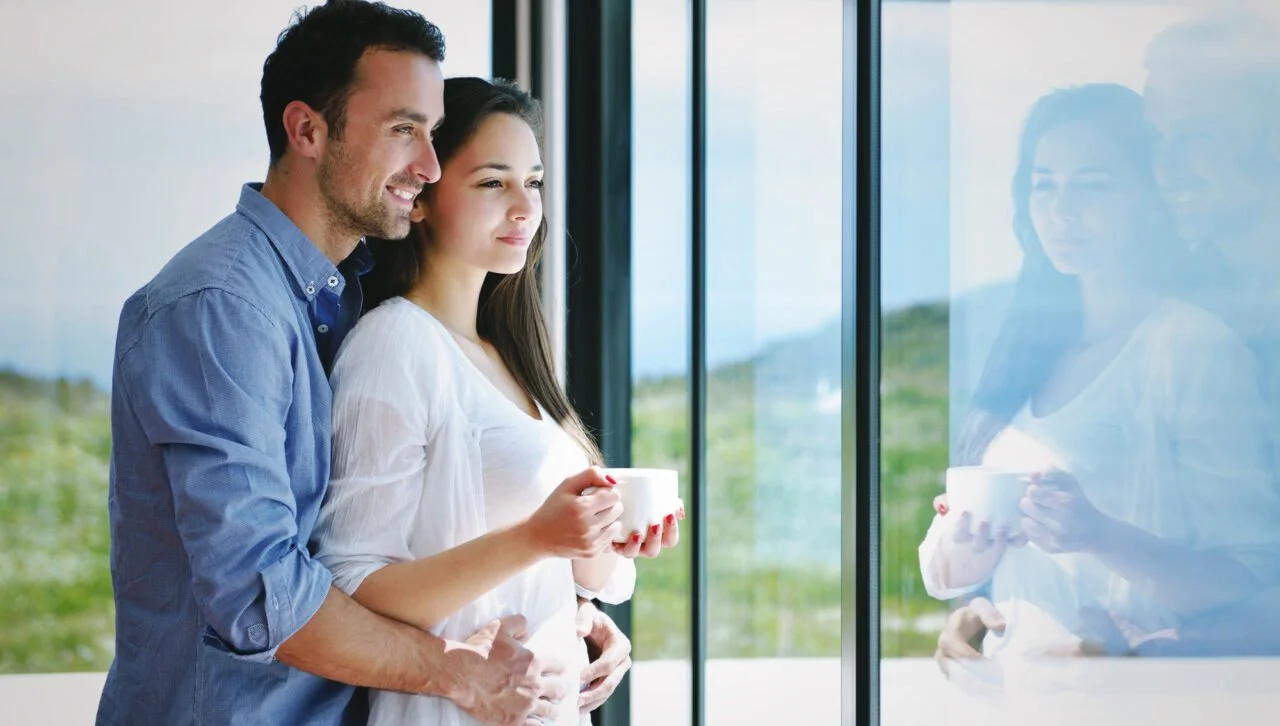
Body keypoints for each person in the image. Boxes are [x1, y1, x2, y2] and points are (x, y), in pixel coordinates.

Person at [96, 3, 640, 724]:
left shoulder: (337, 294)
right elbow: (264, 596)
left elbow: (404, 523)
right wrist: (454, 671)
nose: (429, 165)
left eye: (433, 133)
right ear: (308, 130)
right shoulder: (221, 308)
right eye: (404, 130)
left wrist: (555, 601)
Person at [311, 76, 679, 726]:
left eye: (533, 182)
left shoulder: (507, 352)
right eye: (492, 182)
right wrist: (538, 537)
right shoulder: (396, 343)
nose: (524, 208)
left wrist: (604, 542)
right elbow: (353, 589)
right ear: (419, 196)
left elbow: (549, 567)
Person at [935, 6, 1280, 669]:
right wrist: (976, 612)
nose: (1062, 212)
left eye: (1093, 186)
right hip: (1026, 698)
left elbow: (1250, 576)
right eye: (1044, 186)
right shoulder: (1027, 349)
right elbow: (1017, 570)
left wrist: (1104, 552)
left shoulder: (1189, 345)